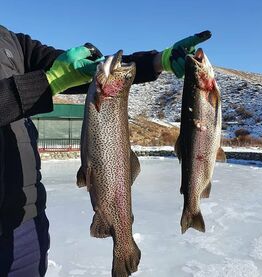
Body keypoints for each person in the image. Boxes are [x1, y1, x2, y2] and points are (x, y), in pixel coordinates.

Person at [0, 24, 211, 276]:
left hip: (25, 216)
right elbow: (57, 77)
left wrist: (158, 60)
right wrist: (46, 82)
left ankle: (123, 241)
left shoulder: (12, 42)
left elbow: (86, 70)